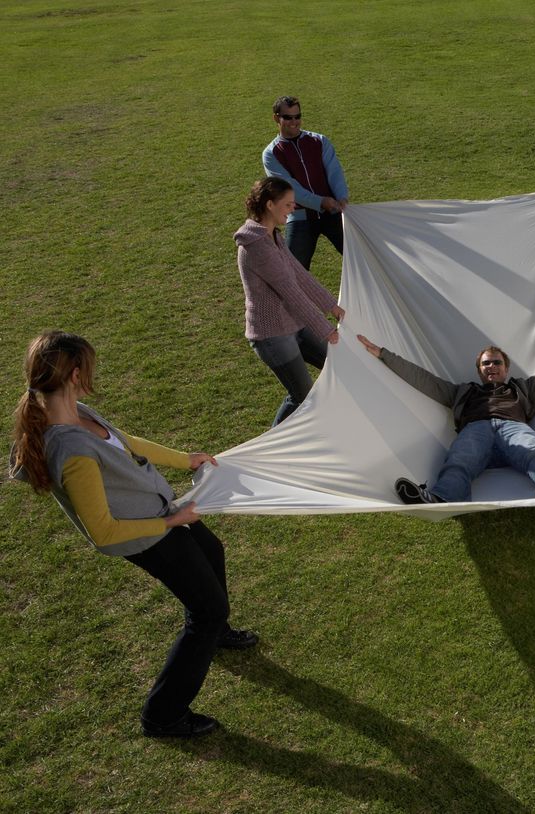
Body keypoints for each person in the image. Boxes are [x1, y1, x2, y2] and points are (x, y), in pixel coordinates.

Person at [9, 332, 258, 738]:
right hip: (147, 534)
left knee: (212, 551)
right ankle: (163, 715)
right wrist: (170, 524)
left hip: (161, 512)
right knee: (206, 610)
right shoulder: (71, 449)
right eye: (88, 368)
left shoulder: (77, 411)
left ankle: (217, 633)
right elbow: (104, 533)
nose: (92, 374)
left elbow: (128, 443)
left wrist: (185, 459)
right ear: (74, 374)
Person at [356, 311, 535, 503]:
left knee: (534, 451)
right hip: (477, 430)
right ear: (479, 371)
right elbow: (423, 379)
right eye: (485, 364)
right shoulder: (462, 392)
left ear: (506, 368)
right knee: (460, 461)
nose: (491, 366)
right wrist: (384, 355)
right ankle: (440, 499)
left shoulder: (524, 388)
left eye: (496, 362)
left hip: (513, 428)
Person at [236, 176, 344, 426]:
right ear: (270, 205)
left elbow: (299, 275)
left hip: (295, 325)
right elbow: (291, 292)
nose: (293, 209)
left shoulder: (273, 236)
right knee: (302, 396)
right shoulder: (257, 246)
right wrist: (326, 329)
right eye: (287, 204)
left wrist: (332, 306)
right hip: (272, 336)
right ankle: (271, 446)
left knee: (339, 363)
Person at [262, 95, 349, 270]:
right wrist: (320, 202)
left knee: (359, 255)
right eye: (287, 117)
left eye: (297, 116)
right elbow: (290, 188)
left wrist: (342, 197)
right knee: (294, 270)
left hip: (332, 211)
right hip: (300, 217)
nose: (294, 122)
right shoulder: (271, 153)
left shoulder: (320, 141)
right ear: (276, 118)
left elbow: (335, 172)